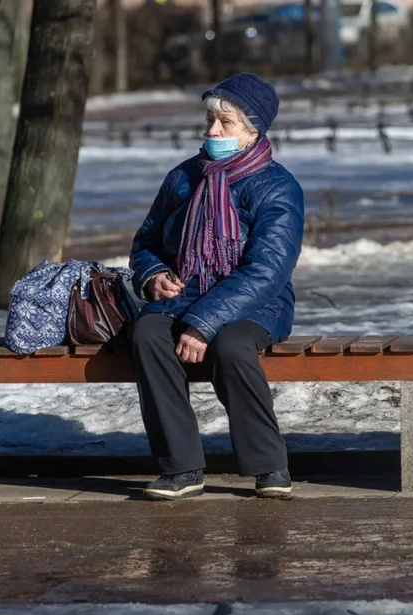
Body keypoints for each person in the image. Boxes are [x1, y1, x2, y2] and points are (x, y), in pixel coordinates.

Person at [129, 73, 304, 501]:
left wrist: (204, 322)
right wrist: (152, 275)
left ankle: (269, 465)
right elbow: (146, 243)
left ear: (252, 130)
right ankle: (181, 467)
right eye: (210, 119)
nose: (212, 131)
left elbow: (267, 270)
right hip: (185, 294)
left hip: (257, 303)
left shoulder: (277, 187)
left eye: (225, 122)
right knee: (148, 334)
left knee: (231, 345)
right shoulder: (183, 178)